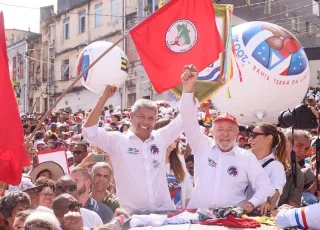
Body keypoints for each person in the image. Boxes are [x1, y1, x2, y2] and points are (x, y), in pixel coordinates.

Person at [179, 64, 274, 213]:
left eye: (230, 130)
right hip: (197, 217)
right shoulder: (201, 145)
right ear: (212, 132)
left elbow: (266, 187)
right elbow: (187, 117)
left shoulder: (246, 157)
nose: (225, 134)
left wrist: (252, 203)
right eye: (220, 130)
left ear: (237, 134)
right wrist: (188, 88)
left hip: (231, 218)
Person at [82, 85, 184, 212]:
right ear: (131, 116)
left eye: (151, 118)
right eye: (141, 116)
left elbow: (184, 118)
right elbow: (88, 132)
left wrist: (188, 87)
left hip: (164, 213)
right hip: (132, 217)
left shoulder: (161, 138)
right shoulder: (118, 141)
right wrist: (104, 99)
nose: (146, 122)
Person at [154, 118, 193, 209]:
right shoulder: (150, 162)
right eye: (173, 132)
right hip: (157, 218)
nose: (178, 136)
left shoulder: (179, 160)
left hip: (178, 218)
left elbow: (188, 193)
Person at [248, 123, 287, 215]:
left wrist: (268, 203)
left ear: (268, 138)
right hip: (237, 211)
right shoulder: (244, 159)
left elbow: (276, 192)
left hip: (258, 215)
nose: (250, 139)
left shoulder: (276, 166)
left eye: (254, 135)